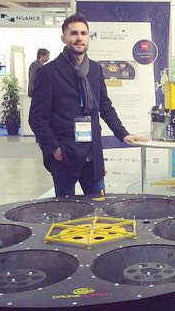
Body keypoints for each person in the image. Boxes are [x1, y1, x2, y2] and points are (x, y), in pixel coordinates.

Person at [29, 13, 146, 197]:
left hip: (93, 153)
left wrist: (123, 134)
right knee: (67, 210)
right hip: (65, 154)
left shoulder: (95, 69)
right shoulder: (48, 73)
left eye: (83, 33)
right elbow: (37, 118)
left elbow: (105, 106)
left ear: (88, 38)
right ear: (64, 38)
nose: (79, 38)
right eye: (74, 33)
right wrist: (54, 149)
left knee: (99, 207)